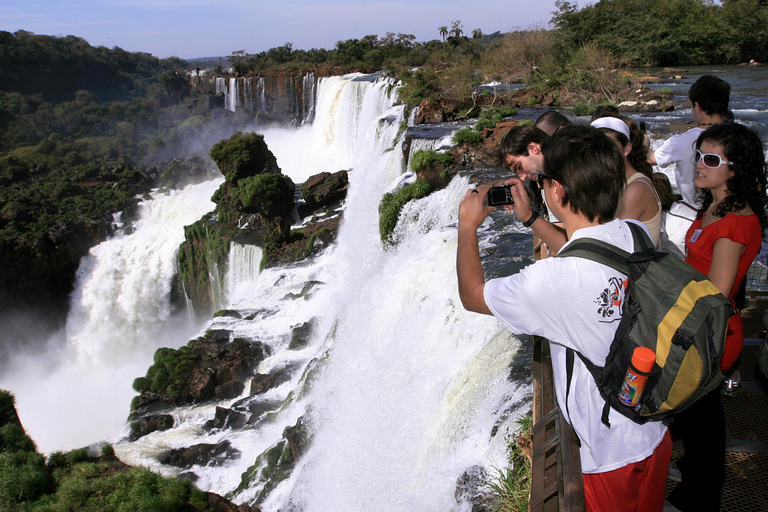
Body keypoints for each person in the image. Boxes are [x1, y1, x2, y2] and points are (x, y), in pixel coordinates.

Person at [458, 125, 672, 512]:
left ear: (555, 190)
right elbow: (587, 245)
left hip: (607, 454)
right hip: (654, 429)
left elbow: (473, 297)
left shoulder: (553, 281)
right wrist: (529, 220)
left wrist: (467, 225)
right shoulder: (636, 233)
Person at [666, 123, 768, 512]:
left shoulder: (732, 225)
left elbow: (716, 294)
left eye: (711, 160)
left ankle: (701, 495)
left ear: (734, 168)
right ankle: (695, 476)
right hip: (702, 328)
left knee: (704, 422)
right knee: (699, 417)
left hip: (711, 333)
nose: (699, 165)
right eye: (699, 156)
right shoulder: (715, 207)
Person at [649, 75, 731, 208]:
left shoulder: (681, 141)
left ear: (697, 106)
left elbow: (651, 158)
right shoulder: (741, 136)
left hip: (692, 212)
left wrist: (641, 143)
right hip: (731, 208)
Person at [591, 115, 663, 247]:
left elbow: (607, 243)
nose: (602, 153)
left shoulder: (636, 188)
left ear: (627, 149)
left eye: (609, 146)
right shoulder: (610, 182)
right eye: (596, 147)